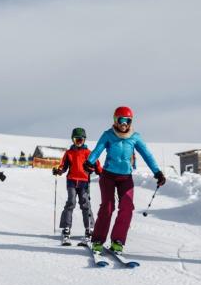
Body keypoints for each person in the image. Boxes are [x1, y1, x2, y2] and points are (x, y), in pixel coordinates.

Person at [84, 106, 165, 254]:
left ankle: (118, 241)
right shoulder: (108, 135)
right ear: (115, 120)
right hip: (108, 176)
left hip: (125, 177)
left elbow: (147, 155)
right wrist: (90, 162)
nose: (124, 123)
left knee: (127, 207)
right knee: (107, 207)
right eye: (121, 120)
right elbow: (97, 150)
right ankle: (97, 240)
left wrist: (157, 172)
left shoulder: (135, 137)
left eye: (127, 120)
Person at [53, 128, 102, 246]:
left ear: (84, 140)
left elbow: (96, 165)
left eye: (81, 139)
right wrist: (58, 171)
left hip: (84, 181)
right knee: (71, 202)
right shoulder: (69, 153)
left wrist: (102, 173)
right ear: (73, 140)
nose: (79, 141)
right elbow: (63, 166)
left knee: (85, 204)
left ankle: (89, 229)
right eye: (76, 139)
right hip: (71, 181)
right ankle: (66, 228)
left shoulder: (88, 153)